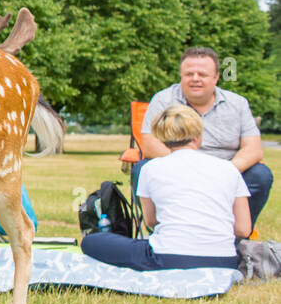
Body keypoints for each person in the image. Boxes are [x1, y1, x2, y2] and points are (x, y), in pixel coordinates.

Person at [83, 105, 249, 271]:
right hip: (225, 262)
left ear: (161, 139)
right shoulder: (229, 169)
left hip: (167, 259)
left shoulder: (150, 168)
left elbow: (151, 221)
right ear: (198, 137)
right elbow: (243, 229)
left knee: (92, 241)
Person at [139, 47, 271, 228]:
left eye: (202, 74)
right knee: (142, 168)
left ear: (216, 77)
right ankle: (167, 231)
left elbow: (253, 149)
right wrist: (193, 170)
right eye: (189, 74)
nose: (195, 79)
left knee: (260, 175)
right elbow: (150, 145)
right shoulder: (162, 100)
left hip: (226, 170)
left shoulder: (237, 104)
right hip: (176, 169)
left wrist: (222, 172)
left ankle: (233, 236)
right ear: (181, 76)